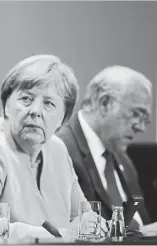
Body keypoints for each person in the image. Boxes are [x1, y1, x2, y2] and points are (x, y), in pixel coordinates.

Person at [0, 55, 108, 242]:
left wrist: (92, 225)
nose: (35, 111)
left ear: (63, 119)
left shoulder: (57, 150)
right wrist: (60, 236)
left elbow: (82, 217)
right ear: (6, 105)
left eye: (49, 103)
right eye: (26, 99)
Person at [57, 65, 157, 236]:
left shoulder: (124, 160)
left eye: (145, 119)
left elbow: (142, 218)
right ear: (104, 103)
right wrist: (142, 233)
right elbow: (76, 230)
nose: (140, 127)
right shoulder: (61, 150)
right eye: (136, 114)